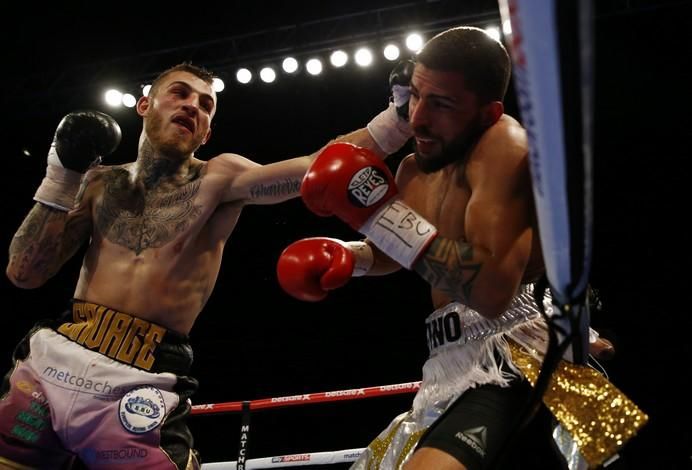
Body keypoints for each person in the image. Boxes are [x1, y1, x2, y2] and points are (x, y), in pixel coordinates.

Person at [1, 62, 411, 469]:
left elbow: (316, 165)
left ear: (207, 132)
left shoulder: (220, 179)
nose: (192, 106)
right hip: (52, 368)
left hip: (140, 381)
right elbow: (24, 272)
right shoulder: (97, 183)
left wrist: (398, 121)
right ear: (145, 105)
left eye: (206, 104)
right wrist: (62, 174)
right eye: (179, 93)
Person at [276, 26, 643, 469]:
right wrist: (350, 256)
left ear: (487, 113)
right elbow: (399, 249)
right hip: (447, 363)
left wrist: (376, 214)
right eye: (414, 96)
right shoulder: (414, 166)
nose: (418, 117)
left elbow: (489, 292)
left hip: (514, 353)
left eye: (442, 104)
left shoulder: (505, 149)